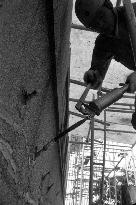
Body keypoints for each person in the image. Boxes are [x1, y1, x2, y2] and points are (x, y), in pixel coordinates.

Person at [75, 0, 136, 129]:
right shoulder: (104, 42)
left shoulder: (133, 13)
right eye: (94, 25)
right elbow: (97, 72)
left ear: (108, 5)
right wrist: (93, 76)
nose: (101, 25)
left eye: (101, 17)